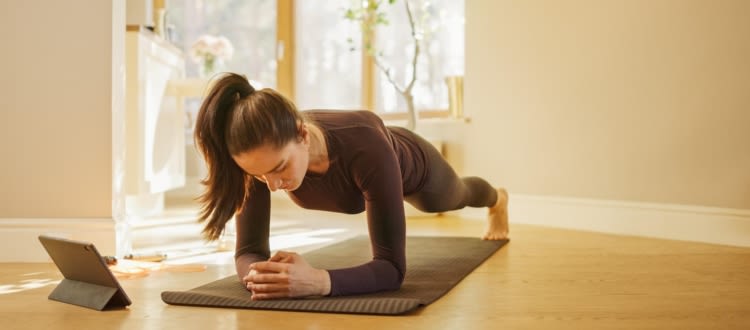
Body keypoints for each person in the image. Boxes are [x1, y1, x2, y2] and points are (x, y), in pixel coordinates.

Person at [194, 73, 509, 300]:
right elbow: (249, 251)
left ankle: (497, 199)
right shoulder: (263, 157)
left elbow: (391, 269)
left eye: (280, 169)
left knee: (454, 197)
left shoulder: (365, 147)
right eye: (262, 177)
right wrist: (261, 276)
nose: (273, 186)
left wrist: (319, 281)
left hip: (411, 164)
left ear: (303, 136)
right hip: (376, 166)